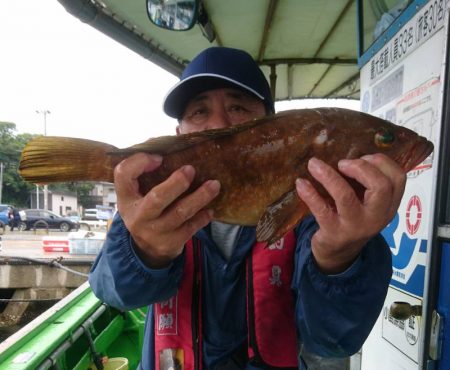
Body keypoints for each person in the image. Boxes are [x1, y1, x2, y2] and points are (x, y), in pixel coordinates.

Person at [89, 47, 404, 369]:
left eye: (238, 107)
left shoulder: (316, 210)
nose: (219, 123)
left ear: (274, 127)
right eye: (199, 111)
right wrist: (145, 251)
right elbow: (114, 294)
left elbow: (332, 341)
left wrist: (341, 257)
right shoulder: (151, 206)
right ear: (178, 134)